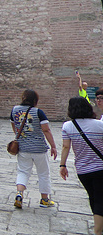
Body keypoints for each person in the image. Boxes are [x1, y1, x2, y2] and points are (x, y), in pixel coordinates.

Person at [60, 97, 103, 235]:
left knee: (93, 197)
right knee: (100, 199)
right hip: (101, 168)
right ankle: (98, 230)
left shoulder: (67, 126)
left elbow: (65, 147)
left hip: (83, 170)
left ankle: (99, 224)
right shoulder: (100, 125)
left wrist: (62, 165)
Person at [10, 89, 58, 209]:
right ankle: (44, 199)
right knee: (43, 173)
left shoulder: (14, 110)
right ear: (35, 100)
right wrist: (53, 146)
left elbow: (15, 128)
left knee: (23, 171)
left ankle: (19, 194)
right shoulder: (38, 112)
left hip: (23, 148)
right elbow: (46, 130)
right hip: (39, 149)